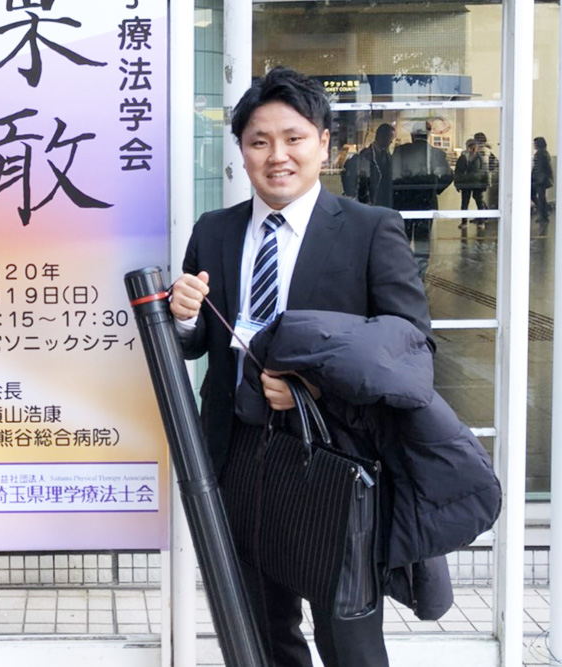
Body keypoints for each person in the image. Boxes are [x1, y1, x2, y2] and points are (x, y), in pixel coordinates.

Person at [169, 67, 432, 667]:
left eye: (294, 138)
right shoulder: (215, 231)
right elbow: (199, 343)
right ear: (241, 151)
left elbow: (411, 344)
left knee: (348, 638)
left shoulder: (369, 230)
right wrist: (183, 317)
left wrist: (315, 388)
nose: (277, 156)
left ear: (324, 144)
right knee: (261, 632)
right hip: (237, 456)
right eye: (259, 141)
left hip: (335, 461)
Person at [391, 121, 452, 276]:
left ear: (412, 135)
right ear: (429, 135)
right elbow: (448, 176)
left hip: (403, 203)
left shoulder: (400, 151)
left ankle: (402, 275)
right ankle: (419, 276)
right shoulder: (437, 154)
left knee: (401, 241)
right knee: (422, 243)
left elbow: (391, 176)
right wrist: (434, 190)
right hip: (426, 203)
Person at [354, 123, 395, 208]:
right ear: (382, 137)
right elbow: (363, 181)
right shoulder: (366, 155)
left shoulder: (386, 155)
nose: (391, 141)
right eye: (390, 138)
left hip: (385, 200)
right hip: (372, 201)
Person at [453, 139, 488, 229]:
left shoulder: (479, 158)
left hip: (476, 184)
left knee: (479, 202)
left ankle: (481, 221)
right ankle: (464, 221)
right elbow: (458, 171)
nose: (473, 148)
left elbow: (484, 171)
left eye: (474, 146)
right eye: (472, 146)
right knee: (465, 202)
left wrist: (485, 184)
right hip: (467, 184)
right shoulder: (463, 158)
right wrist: (457, 183)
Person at [532, 136, 554, 229]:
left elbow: (538, 168)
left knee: (538, 197)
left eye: (535, 143)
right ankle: (544, 213)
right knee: (541, 198)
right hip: (542, 179)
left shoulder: (539, 154)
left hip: (539, 180)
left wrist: (534, 178)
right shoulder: (545, 153)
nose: (534, 145)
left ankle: (543, 214)